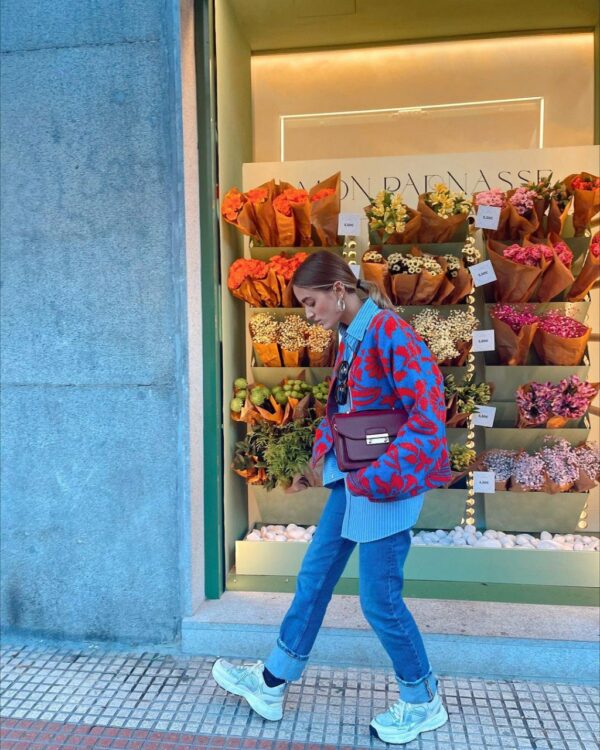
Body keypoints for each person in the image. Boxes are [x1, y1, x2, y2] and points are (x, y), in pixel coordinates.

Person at [212, 250, 452, 744]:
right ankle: (273, 680)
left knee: (380, 602)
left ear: (338, 290)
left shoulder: (389, 332)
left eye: (310, 302)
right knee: (315, 577)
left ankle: (423, 699)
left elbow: (428, 415)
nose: (307, 314)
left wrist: (375, 477)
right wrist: (315, 467)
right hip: (355, 481)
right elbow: (344, 412)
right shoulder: (355, 335)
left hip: (383, 487)